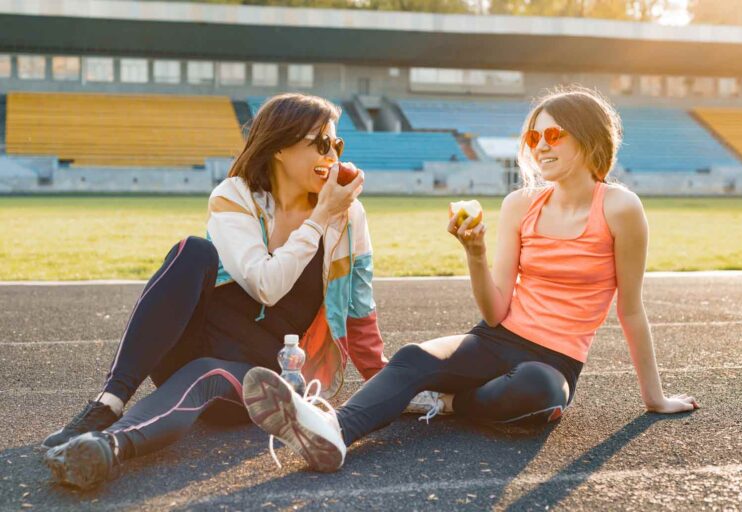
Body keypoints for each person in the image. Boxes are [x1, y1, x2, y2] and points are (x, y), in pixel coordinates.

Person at [241, 86, 700, 472]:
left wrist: (654, 398)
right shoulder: (522, 205)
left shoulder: (620, 208)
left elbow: (631, 309)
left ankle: (449, 403)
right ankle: (332, 431)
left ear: (588, 139)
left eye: (553, 134)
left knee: (536, 392)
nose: (540, 145)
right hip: (495, 339)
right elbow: (495, 311)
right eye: (532, 135)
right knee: (414, 357)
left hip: (554, 363)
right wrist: (475, 253)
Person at [44, 93, 387, 488]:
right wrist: (319, 219)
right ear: (278, 147)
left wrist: (405, 388)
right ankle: (108, 404)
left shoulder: (348, 217)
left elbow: (361, 313)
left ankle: (106, 447)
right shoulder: (234, 196)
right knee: (193, 250)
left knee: (206, 374)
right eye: (321, 143)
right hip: (194, 341)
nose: (333, 156)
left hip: (261, 374)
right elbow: (266, 285)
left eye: (337, 145)